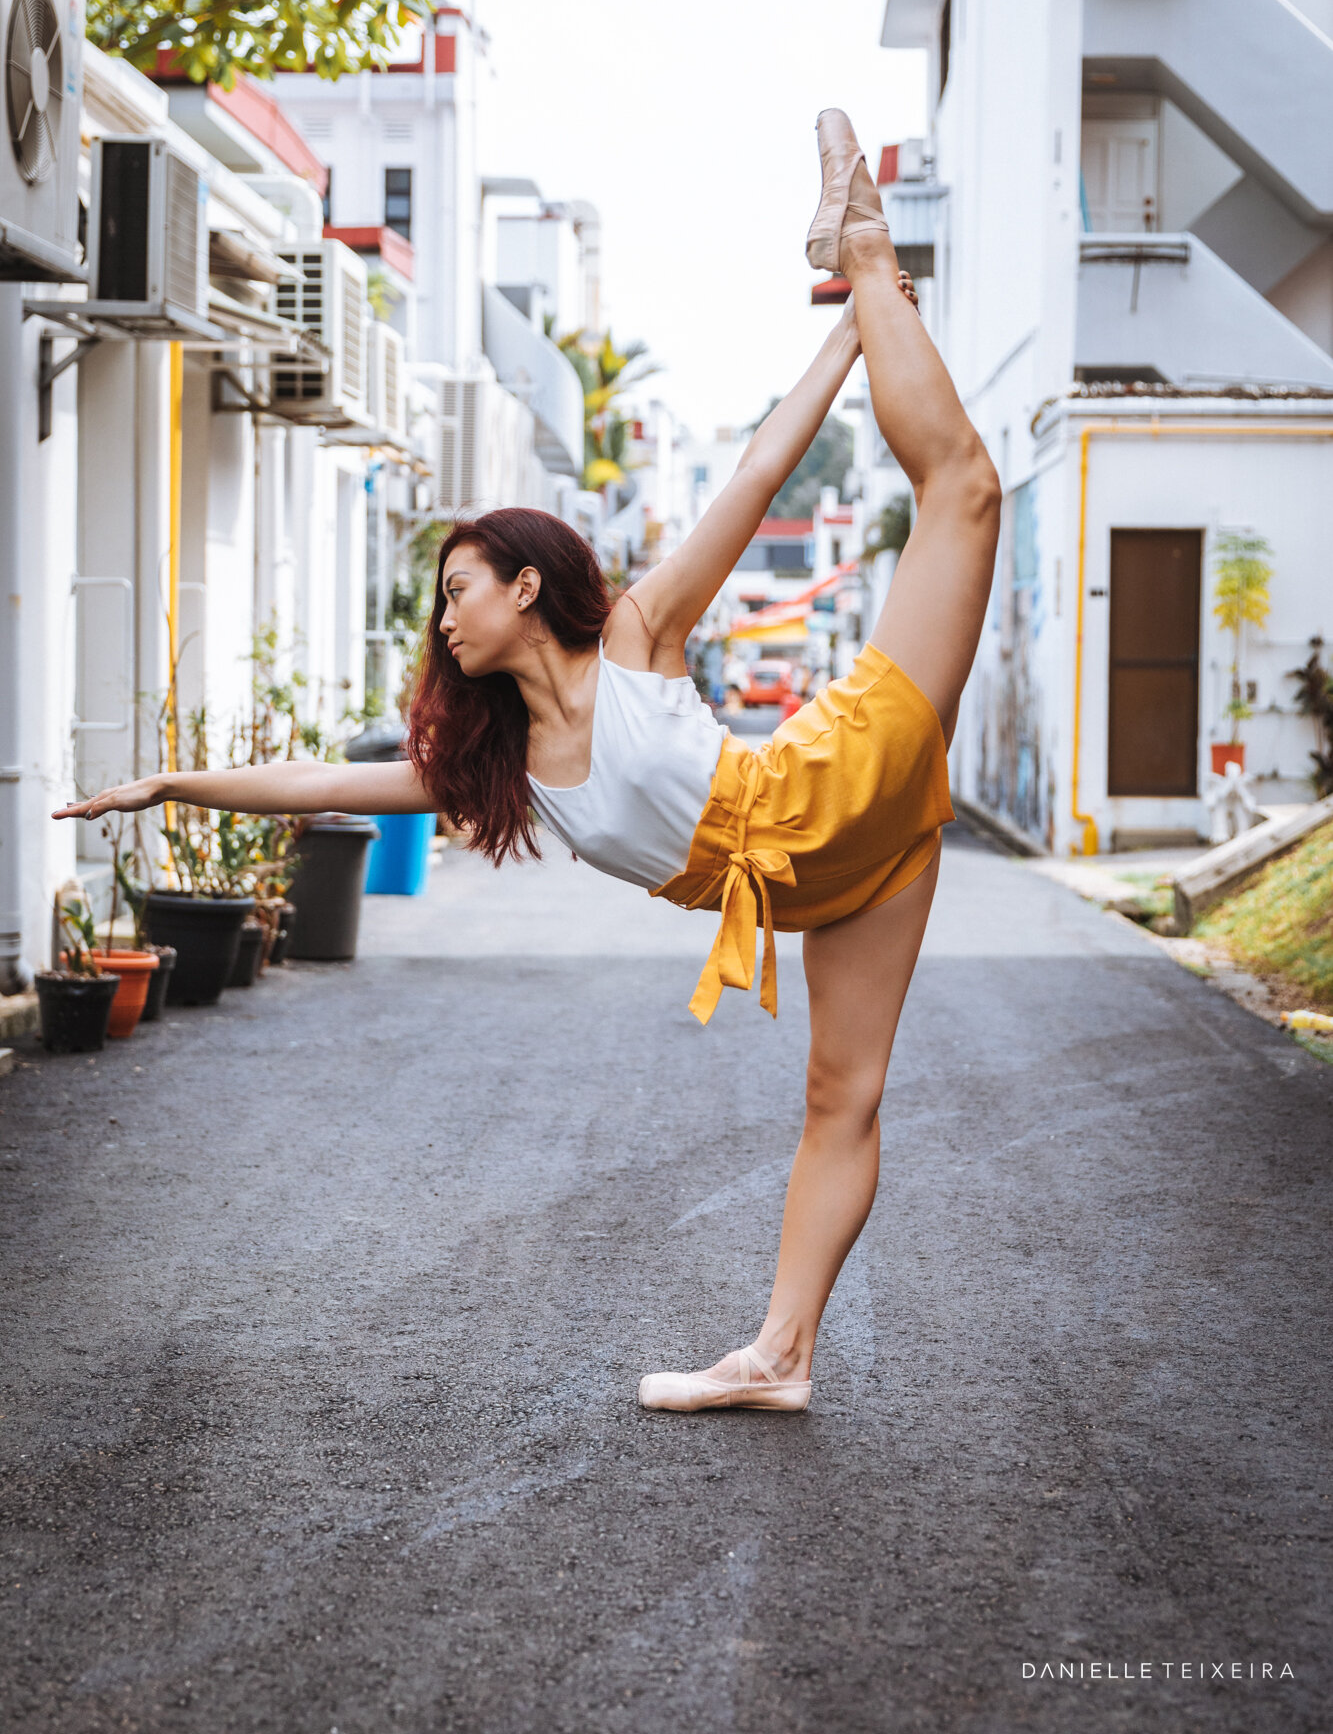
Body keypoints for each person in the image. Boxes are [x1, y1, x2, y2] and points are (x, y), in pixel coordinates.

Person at [55, 112, 1001, 1416]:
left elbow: (758, 465)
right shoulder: (500, 770)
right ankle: (780, 1357)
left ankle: (867, 249)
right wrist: (171, 785)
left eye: (456, 588)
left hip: (848, 780)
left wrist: (849, 322)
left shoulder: (633, 636)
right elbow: (326, 786)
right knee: (842, 1095)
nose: (442, 618)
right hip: (818, 888)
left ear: (523, 583)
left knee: (962, 490)